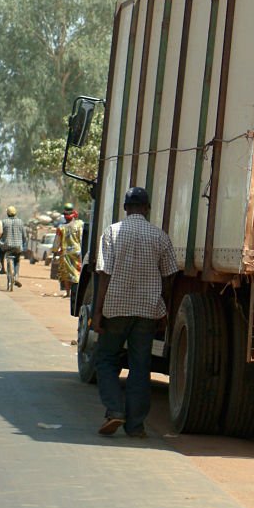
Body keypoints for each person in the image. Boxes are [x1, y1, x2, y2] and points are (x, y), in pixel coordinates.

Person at [92, 187, 179, 437]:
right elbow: (169, 276)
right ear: (147, 208)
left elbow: (104, 273)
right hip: (147, 311)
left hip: (116, 307)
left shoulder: (112, 232)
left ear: (125, 208)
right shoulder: (159, 236)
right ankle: (136, 425)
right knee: (140, 366)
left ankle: (115, 410)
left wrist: (97, 312)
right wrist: (162, 307)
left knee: (106, 360)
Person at [52, 203, 84, 298]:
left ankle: (68, 292)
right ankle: (77, 293)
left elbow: (56, 242)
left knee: (66, 274)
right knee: (77, 272)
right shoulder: (80, 224)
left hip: (65, 253)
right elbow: (82, 239)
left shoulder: (61, 227)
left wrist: (54, 252)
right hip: (77, 253)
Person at [0, 206, 26, 287]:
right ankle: (16, 276)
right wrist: (23, 244)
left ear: (7, 213)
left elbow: (0, 234)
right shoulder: (20, 222)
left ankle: (3, 268)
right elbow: (24, 236)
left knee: (0, 250)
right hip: (17, 246)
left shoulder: (4, 222)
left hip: (6, 246)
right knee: (17, 261)